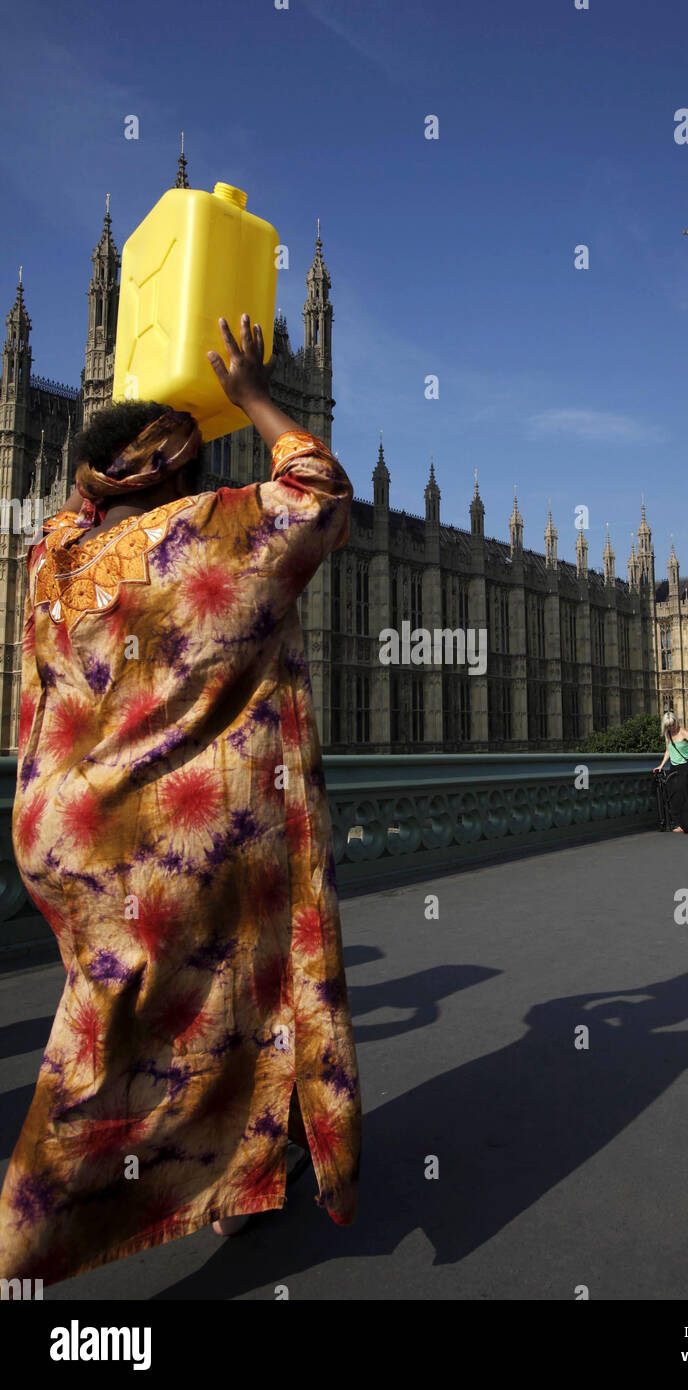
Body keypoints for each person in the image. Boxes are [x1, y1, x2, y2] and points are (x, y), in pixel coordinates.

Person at [0, 315, 362, 1286]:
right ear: (167, 465)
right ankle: (25, 1241)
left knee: (223, 1003)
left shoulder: (53, 552)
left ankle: (245, 1172)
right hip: (162, 847)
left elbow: (83, 496)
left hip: (59, 831)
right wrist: (248, 390)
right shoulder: (198, 534)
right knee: (117, 1049)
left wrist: (109, 445)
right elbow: (316, 491)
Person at [654, 712, 688, 833]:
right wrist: (661, 765)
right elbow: (668, 751)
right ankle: (680, 824)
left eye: (672, 725)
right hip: (674, 767)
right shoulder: (667, 733)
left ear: (676, 722)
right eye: (668, 726)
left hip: (686, 767)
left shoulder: (682, 731)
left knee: (685, 796)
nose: (671, 728)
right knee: (674, 797)